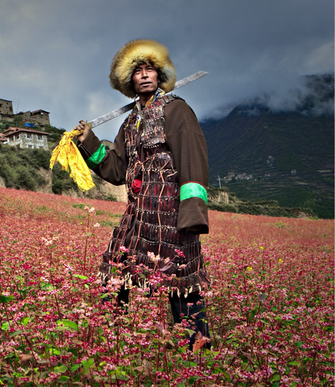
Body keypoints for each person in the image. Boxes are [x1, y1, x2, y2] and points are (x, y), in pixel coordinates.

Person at [75, 39, 210, 348]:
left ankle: (197, 347)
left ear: (159, 75)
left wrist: (191, 214)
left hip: (172, 214)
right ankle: (115, 338)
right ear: (129, 81)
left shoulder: (177, 111)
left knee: (181, 282)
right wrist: (88, 141)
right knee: (115, 267)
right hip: (138, 214)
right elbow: (115, 170)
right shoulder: (130, 122)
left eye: (150, 69)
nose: (145, 75)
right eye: (138, 71)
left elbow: (193, 159)